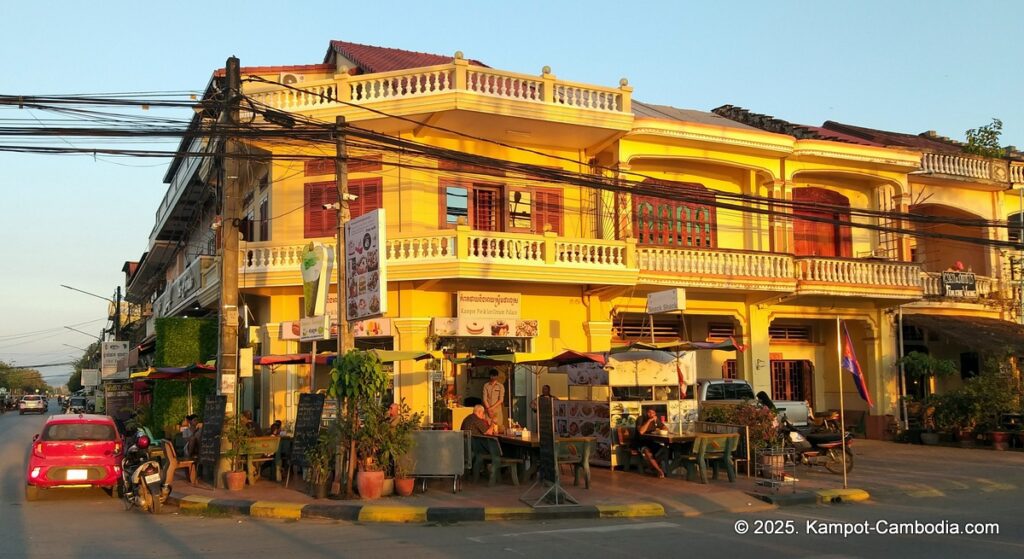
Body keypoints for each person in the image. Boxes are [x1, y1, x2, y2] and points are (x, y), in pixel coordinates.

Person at [633, 408, 666, 478]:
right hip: (640, 442)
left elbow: (665, 427)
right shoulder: (640, 419)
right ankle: (659, 470)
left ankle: (651, 466)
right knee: (648, 452)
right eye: (649, 413)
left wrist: (662, 429)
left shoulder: (655, 420)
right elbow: (641, 432)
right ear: (646, 413)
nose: (651, 415)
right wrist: (649, 421)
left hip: (651, 441)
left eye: (653, 413)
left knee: (665, 450)